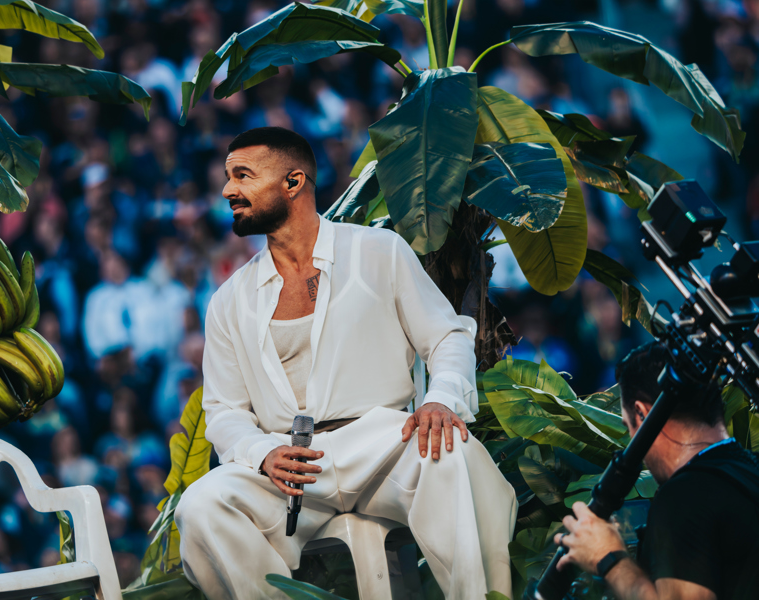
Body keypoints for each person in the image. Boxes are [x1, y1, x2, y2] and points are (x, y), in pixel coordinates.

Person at [174, 127, 517, 599]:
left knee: (450, 455)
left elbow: (445, 337)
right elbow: (226, 413)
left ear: (293, 182)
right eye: (229, 177)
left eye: (243, 176)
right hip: (290, 470)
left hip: (382, 445)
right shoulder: (228, 300)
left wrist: (441, 400)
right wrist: (263, 454)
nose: (228, 190)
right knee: (202, 506)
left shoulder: (377, 252)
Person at [554, 341, 759, 600]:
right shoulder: (750, 469)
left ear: (642, 413)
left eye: (629, 426)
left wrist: (608, 558)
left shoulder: (684, 496)